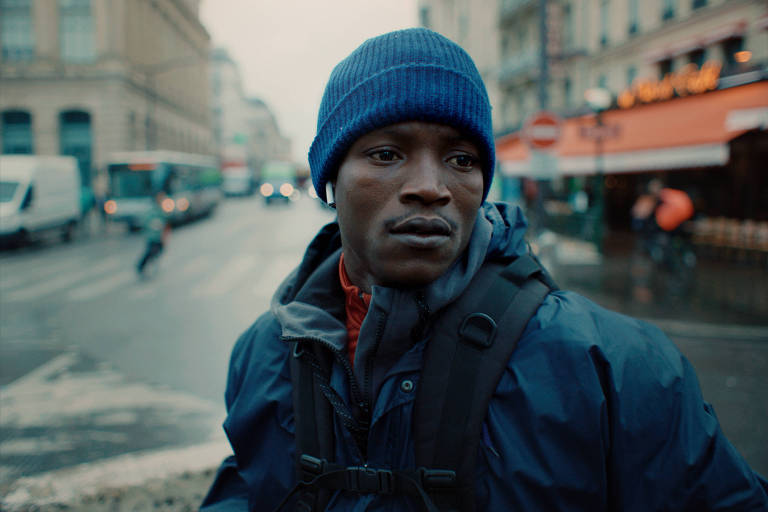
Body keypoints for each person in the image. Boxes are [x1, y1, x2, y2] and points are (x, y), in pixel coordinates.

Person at [201, 29, 768, 511]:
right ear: (329, 180)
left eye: (462, 159)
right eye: (386, 154)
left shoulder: (619, 369)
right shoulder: (264, 353)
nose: (430, 186)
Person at [135, 190, 170, 277]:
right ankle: (140, 266)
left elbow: (166, 223)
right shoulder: (151, 210)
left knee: (158, 250)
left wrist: (165, 235)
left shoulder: (162, 210)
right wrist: (153, 225)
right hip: (152, 236)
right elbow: (145, 222)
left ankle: (150, 262)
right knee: (150, 252)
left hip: (159, 236)